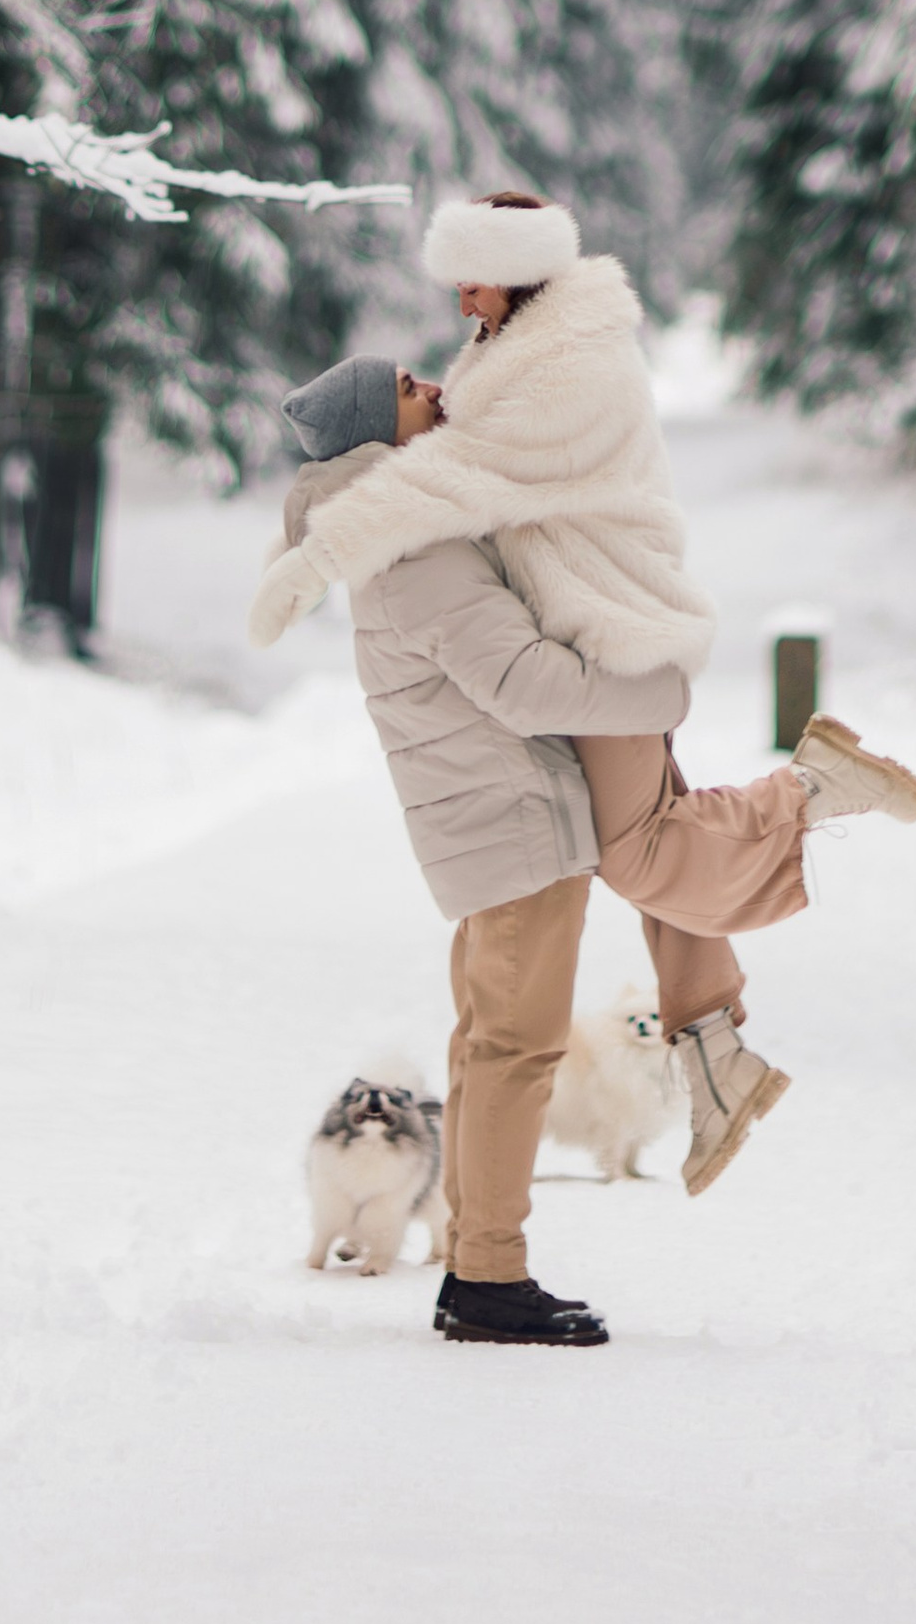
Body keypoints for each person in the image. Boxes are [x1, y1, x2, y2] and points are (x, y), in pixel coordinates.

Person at [258, 195, 916, 1270]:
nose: (456, 308)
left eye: (471, 276)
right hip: (581, 650)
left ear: (517, 269)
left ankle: (808, 794)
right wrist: (328, 534)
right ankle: (714, 1057)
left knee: (644, 854)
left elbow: (455, 485)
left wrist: (321, 547)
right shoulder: (502, 358)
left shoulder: (564, 366)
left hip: (607, 636)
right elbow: (429, 492)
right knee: (642, 866)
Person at [274, 348, 685, 1347]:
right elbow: (524, 683)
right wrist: (657, 690)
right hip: (512, 829)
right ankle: (489, 1279)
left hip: (501, 826)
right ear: (376, 433)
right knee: (515, 1052)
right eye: (406, 390)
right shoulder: (410, 543)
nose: (431, 387)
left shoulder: (400, 525)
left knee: (489, 1049)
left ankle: (473, 1258)